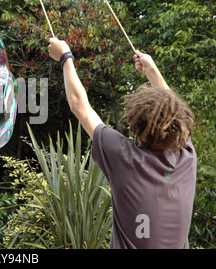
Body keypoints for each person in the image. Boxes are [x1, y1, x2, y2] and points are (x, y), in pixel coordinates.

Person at [48, 38, 196, 249]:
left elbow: (80, 106)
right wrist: (153, 72)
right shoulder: (187, 156)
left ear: (136, 124)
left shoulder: (124, 157)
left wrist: (64, 56)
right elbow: (176, 115)